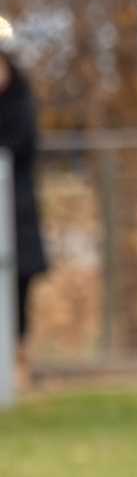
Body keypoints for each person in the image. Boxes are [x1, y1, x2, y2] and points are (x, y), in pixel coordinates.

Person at [0, 46, 48, 352]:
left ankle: (19, 355)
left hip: (15, 213)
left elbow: (20, 147)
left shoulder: (21, 106)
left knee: (18, 287)